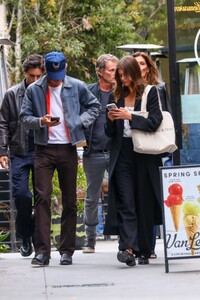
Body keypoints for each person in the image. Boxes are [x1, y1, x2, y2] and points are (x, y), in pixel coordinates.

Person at [20, 51, 101, 266]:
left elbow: (94, 106)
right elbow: (24, 118)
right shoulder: (34, 89)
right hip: (43, 149)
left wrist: (78, 122)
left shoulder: (76, 85)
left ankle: (67, 250)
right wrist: (40, 121)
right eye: (53, 75)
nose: (57, 79)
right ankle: (42, 252)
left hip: (68, 148)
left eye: (61, 74)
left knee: (70, 200)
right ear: (46, 70)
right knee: (42, 198)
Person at [103, 55, 163, 266]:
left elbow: (155, 122)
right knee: (126, 201)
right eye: (120, 75)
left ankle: (144, 249)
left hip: (145, 154)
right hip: (123, 153)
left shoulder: (150, 92)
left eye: (125, 75)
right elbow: (109, 132)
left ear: (135, 74)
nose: (123, 79)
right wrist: (111, 120)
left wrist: (130, 117)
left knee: (144, 201)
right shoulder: (116, 94)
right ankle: (127, 248)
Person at [0, 54, 45, 257]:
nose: (35, 80)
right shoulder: (12, 94)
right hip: (19, 151)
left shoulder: (47, 92)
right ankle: (25, 236)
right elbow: (2, 123)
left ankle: (38, 240)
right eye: (31, 76)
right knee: (21, 195)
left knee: (41, 196)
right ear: (24, 74)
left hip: (43, 150)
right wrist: (2, 150)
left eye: (38, 76)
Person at [133, 51, 173, 258]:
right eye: (136, 63)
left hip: (153, 148)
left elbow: (163, 117)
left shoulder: (158, 89)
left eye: (142, 63)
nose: (139, 67)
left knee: (152, 196)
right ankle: (142, 245)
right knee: (140, 197)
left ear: (148, 67)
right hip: (134, 149)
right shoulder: (129, 89)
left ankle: (149, 245)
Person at [82, 54, 118, 253]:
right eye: (111, 70)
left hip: (116, 151)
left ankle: (124, 239)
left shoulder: (120, 91)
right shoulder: (88, 92)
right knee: (91, 197)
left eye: (115, 70)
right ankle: (89, 239)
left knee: (121, 193)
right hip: (93, 152)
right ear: (100, 72)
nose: (114, 74)